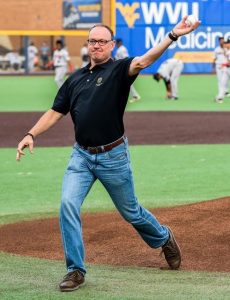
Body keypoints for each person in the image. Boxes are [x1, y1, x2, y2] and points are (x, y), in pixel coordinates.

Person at [16, 17, 200, 292]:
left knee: (132, 212)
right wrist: (31, 133)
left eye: (102, 41)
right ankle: (75, 270)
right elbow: (56, 111)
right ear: (87, 45)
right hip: (81, 157)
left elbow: (145, 60)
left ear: (112, 45)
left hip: (113, 156)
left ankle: (163, 237)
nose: (97, 46)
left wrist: (173, 34)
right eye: (93, 41)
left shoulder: (119, 70)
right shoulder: (75, 79)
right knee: (67, 204)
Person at [115, 38, 141, 103]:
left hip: (124, 68)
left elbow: (126, 58)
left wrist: (125, 68)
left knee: (128, 83)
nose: (116, 45)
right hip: (121, 68)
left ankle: (135, 96)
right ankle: (133, 96)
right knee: (123, 83)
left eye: (117, 43)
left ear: (119, 43)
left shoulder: (122, 49)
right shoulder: (120, 49)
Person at [215, 38, 230, 103]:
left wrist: (223, 65)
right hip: (227, 69)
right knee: (222, 83)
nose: (226, 44)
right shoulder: (227, 51)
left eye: (227, 43)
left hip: (227, 68)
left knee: (223, 83)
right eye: (226, 43)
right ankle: (220, 97)